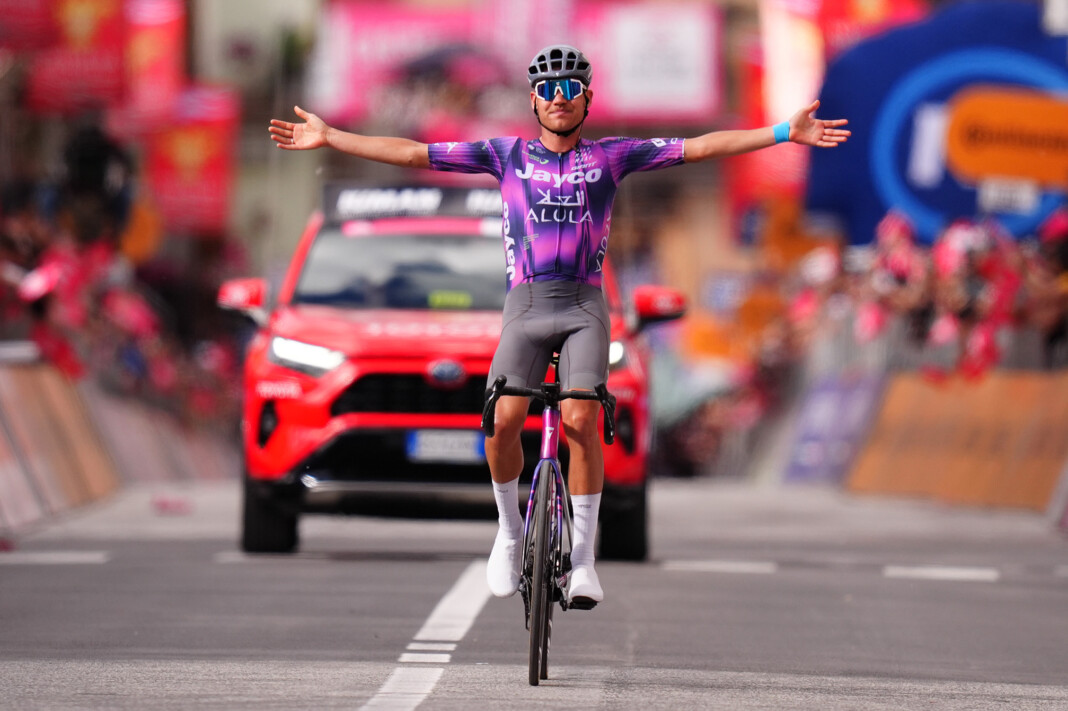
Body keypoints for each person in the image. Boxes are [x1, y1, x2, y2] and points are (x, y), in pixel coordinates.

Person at [269, 44, 850, 606]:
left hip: (583, 308)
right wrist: (332, 136)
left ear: (587, 98)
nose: (559, 96)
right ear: (533, 99)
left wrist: (782, 132)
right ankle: (508, 533)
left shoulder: (611, 157)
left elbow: (699, 147)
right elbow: (413, 154)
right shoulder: (505, 156)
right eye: (547, 87)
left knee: (580, 419)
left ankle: (584, 561)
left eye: (570, 87)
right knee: (501, 421)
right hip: (525, 307)